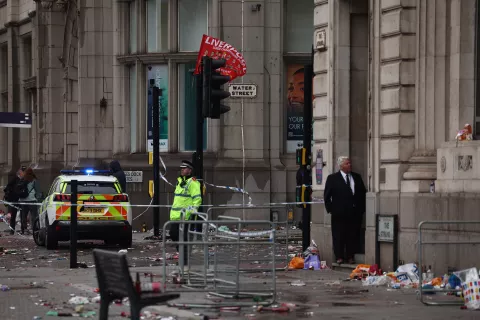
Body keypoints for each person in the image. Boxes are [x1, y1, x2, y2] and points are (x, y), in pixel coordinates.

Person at [324, 156, 366, 264]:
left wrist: (361, 209)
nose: (349, 165)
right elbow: (327, 196)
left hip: (354, 213)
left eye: (349, 163)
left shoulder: (356, 177)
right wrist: (331, 209)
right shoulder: (332, 178)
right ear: (341, 166)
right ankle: (339, 256)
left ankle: (350, 256)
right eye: (347, 164)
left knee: (352, 235)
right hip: (339, 213)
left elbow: (362, 193)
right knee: (339, 235)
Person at [169, 160, 202, 269]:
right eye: (181, 168)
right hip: (176, 216)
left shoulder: (193, 183)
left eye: (184, 168)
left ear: (190, 170)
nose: (182, 170)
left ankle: (184, 261)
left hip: (186, 217)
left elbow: (197, 200)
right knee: (174, 235)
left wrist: (192, 212)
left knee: (184, 239)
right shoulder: (179, 182)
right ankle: (184, 258)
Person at [17, 167, 41, 234]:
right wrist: (39, 200)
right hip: (32, 200)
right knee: (34, 215)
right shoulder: (34, 180)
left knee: (23, 215)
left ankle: (24, 229)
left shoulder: (22, 179)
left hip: (22, 200)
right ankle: (34, 229)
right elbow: (38, 191)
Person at [3, 166, 26, 234]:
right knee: (13, 215)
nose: (23, 173)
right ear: (20, 172)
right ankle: (12, 230)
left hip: (22, 200)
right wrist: (11, 192)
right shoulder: (15, 179)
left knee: (22, 215)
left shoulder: (25, 180)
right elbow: (8, 187)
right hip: (14, 199)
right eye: (22, 171)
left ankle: (23, 230)